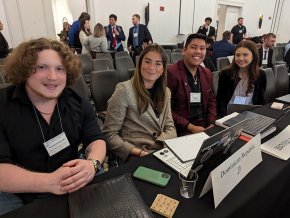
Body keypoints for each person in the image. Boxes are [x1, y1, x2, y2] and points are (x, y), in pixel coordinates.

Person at [0, 38, 106, 215]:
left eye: (59, 69)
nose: (53, 77)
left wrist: (92, 164)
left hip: (69, 181)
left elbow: (96, 139)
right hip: (17, 191)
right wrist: (50, 182)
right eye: (42, 67)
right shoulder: (2, 106)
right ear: (25, 69)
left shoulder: (77, 101)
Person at [103, 44, 177, 162]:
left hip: (161, 151)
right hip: (135, 154)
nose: (152, 67)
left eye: (158, 63)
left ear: (163, 69)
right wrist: (139, 153)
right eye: (147, 62)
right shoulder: (124, 90)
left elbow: (170, 127)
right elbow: (109, 135)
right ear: (139, 64)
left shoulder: (166, 92)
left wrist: (160, 145)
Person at [167, 33, 217, 136]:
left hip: (205, 126)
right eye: (193, 47)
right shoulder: (171, 72)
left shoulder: (206, 72)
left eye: (202, 48)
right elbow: (166, 109)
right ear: (184, 51)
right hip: (182, 128)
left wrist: (211, 123)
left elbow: (211, 100)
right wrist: (191, 127)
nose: (198, 52)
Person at [216, 40, 266, 117]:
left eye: (245, 55)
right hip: (228, 114)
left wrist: (258, 116)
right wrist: (222, 118)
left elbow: (260, 99)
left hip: (250, 113)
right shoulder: (226, 74)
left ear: (253, 56)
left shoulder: (261, 74)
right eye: (238, 55)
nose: (241, 58)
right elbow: (221, 100)